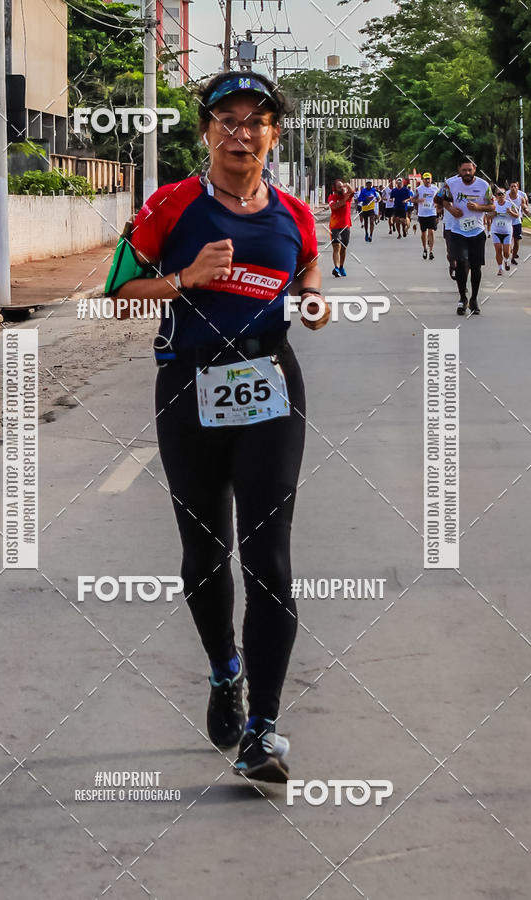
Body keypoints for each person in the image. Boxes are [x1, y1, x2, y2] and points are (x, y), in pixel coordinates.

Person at [107, 71, 329, 784]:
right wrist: (185, 278)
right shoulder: (169, 206)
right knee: (205, 557)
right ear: (205, 131)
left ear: (274, 133)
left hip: (270, 387)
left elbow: (308, 266)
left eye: (255, 121)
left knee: (268, 562)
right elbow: (116, 292)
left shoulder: (294, 212)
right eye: (225, 119)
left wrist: (315, 297)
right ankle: (222, 671)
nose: (241, 132)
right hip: (188, 388)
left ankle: (262, 730)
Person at [443, 156, 493, 315]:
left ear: (474, 170)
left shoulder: (484, 185)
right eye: (464, 170)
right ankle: (462, 298)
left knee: (476, 267)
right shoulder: (451, 183)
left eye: (470, 170)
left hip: (477, 231)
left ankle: (474, 299)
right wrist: (451, 210)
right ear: (459, 170)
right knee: (462, 262)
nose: (467, 173)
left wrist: (479, 207)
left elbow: (492, 206)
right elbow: (443, 200)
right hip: (458, 231)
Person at [327, 178, 354, 276]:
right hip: (335, 226)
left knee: (343, 248)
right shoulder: (331, 197)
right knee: (336, 246)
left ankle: (341, 266)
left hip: (346, 225)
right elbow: (334, 206)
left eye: (342, 186)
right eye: (339, 187)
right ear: (334, 188)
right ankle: (336, 268)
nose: (341, 188)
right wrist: (344, 201)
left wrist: (347, 185)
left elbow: (352, 191)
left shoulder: (347, 195)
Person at [489, 187, 518, 275]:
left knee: (506, 252)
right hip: (496, 231)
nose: (501, 195)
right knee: (498, 250)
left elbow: (517, 215)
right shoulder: (493, 205)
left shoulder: (510, 204)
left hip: (507, 231)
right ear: (496, 196)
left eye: (503, 194)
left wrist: (510, 212)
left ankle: (506, 260)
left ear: (505, 195)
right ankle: (500, 268)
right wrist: (492, 214)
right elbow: (487, 217)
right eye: (499, 194)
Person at [413, 172, 438, 260]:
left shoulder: (435, 188)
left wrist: (436, 203)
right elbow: (412, 199)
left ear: (431, 179)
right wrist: (419, 200)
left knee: (431, 231)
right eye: (426, 179)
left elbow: (438, 199)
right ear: (423, 180)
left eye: (429, 179)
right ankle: (424, 248)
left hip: (432, 213)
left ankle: (431, 251)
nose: (427, 180)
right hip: (422, 214)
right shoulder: (419, 189)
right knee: (423, 232)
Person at [506, 180, 529, 266]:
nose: (513, 188)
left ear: (517, 188)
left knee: (516, 240)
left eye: (515, 186)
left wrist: (525, 210)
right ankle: (508, 255)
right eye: (511, 186)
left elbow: (524, 208)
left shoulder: (521, 198)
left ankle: (513, 257)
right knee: (508, 241)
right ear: (509, 188)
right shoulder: (506, 197)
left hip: (517, 221)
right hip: (507, 221)